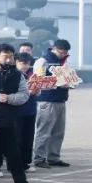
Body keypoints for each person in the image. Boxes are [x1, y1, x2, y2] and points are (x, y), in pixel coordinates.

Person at [0, 45, 41, 183]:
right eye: (5, 56)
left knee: (14, 156)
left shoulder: (17, 74)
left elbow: (24, 95)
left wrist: (9, 98)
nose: (8, 60)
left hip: (10, 121)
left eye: (11, 57)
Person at [32, 39, 72, 169]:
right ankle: (39, 158)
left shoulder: (63, 62)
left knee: (58, 132)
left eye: (65, 52)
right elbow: (39, 80)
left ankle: (53, 157)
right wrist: (58, 84)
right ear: (53, 48)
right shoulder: (43, 61)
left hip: (60, 99)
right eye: (61, 52)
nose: (63, 54)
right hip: (47, 100)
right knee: (44, 131)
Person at [15, 52, 39, 172]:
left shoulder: (30, 75)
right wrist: (28, 92)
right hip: (18, 111)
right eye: (23, 63)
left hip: (30, 110)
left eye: (28, 64)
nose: (26, 66)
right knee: (17, 138)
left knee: (28, 137)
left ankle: (26, 162)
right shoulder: (13, 75)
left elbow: (36, 92)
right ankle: (16, 164)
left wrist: (36, 91)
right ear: (16, 62)